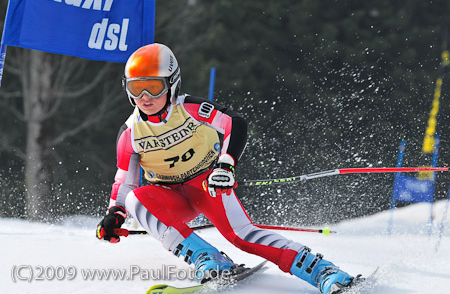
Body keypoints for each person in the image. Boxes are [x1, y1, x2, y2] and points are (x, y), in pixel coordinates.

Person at [96, 43, 360, 293]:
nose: (144, 97)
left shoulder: (188, 108)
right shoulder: (130, 133)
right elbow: (125, 181)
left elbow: (235, 123)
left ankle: (324, 272)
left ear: (172, 83)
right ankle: (208, 259)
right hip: (170, 195)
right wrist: (114, 216)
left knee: (242, 236)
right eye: (136, 88)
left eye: (154, 87)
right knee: (135, 199)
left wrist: (225, 165)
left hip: (206, 185)